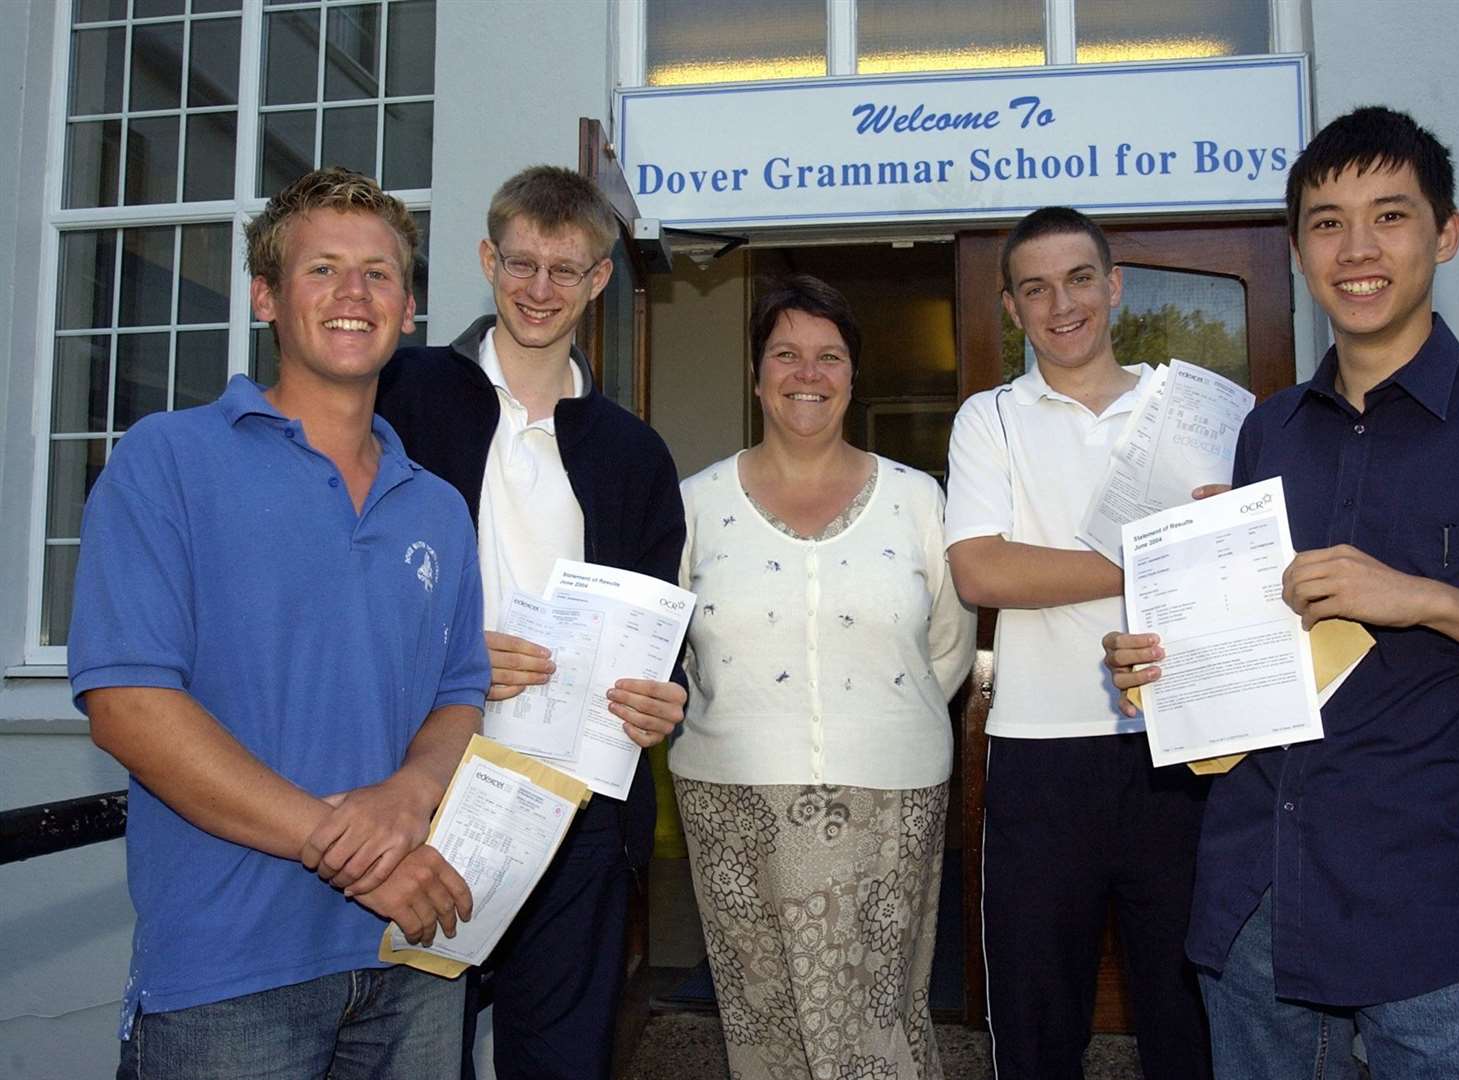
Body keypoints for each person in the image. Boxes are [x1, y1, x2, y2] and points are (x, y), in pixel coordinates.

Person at [1103, 106, 1459, 1079]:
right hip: (1255, 908)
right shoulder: (1266, 432)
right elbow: (1267, 671)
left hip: (1437, 920)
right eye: (1324, 222)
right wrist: (1165, 667)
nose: (1355, 249)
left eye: (1388, 216)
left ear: (1444, 233)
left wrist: (1426, 599)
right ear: (1297, 248)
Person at [68, 167, 491, 1079]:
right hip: (230, 972)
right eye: (322, 269)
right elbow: (130, 706)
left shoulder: (438, 509)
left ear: (409, 308)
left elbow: (460, 696)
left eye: (379, 273)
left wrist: (407, 796)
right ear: (265, 295)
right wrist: (357, 855)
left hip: (415, 953)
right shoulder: (166, 463)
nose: (354, 294)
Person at [374, 164, 687, 1080]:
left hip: (575, 809)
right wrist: (452, 660)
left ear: (598, 280)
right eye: (521, 264)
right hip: (421, 789)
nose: (539, 290)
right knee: (413, 1057)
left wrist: (668, 697)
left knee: (560, 1062)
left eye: (566, 269)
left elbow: (666, 634)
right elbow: (343, 574)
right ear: (487, 260)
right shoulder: (402, 397)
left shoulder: (634, 453)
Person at [671, 275, 975, 1080]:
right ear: (757, 372)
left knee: (876, 1022)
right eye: (786, 354)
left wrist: (874, 723)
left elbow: (946, 647)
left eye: (829, 356)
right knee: (763, 1019)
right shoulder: (696, 505)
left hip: (890, 801)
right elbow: (671, 650)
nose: (808, 374)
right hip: (731, 801)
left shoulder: (919, 500)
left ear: (852, 372)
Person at [943, 207, 1213, 1080]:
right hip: (1039, 752)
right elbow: (982, 572)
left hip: (1184, 749)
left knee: (1188, 1016)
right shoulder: (990, 419)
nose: (1062, 304)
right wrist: (1153, 552)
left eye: (1079, 279)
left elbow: (1228, 562)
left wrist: (1176, 550)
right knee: (1035, 1015)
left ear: (1115, 286)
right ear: (1013, 310)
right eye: (1036, 288)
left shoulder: (1190, 411)